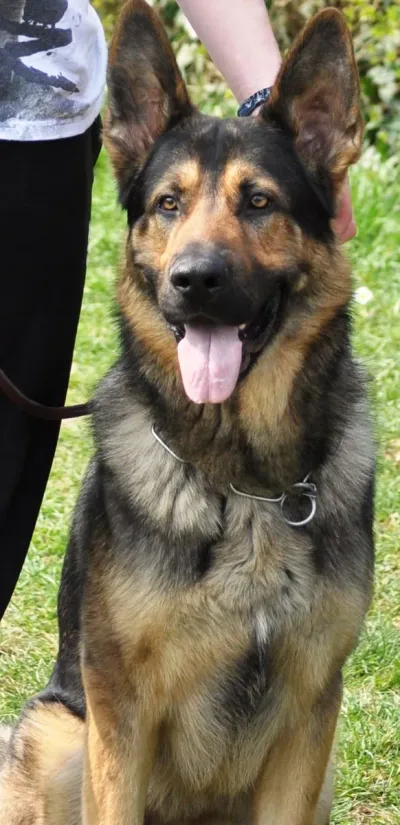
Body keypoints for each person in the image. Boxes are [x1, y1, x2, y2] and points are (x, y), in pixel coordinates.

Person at [0, 0, 355, 620]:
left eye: (258, 203)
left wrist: (279, 111)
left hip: (35, 102)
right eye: (169, 204)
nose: (197, 261)